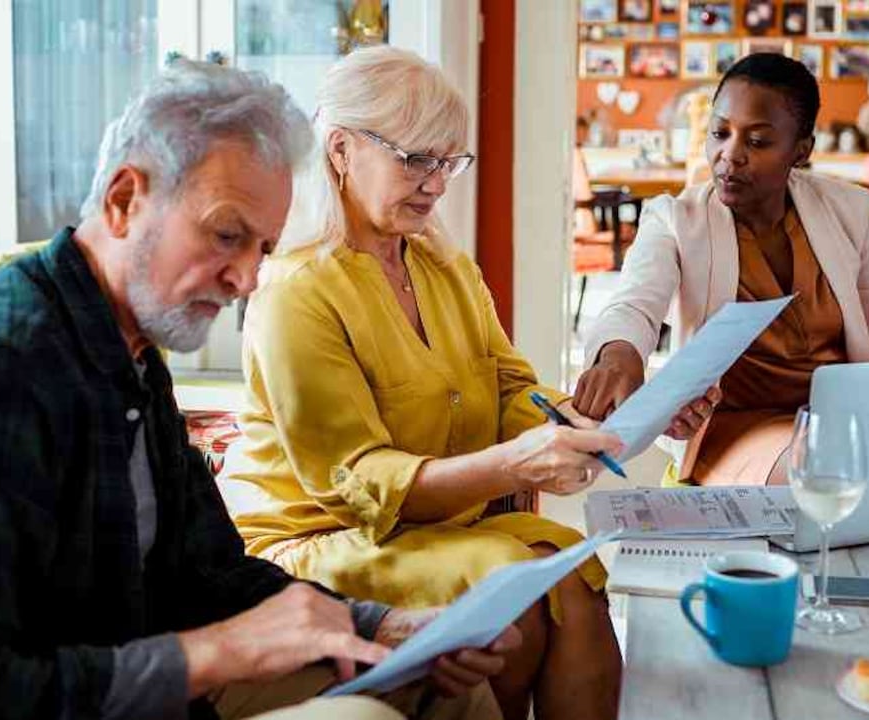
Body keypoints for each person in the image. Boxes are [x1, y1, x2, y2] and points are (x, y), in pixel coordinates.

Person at [0, 60, 518, 720]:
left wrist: (376, 624)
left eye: (262, 248)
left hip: (117, 675)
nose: (247, 280)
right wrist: (214, 655)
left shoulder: (132, 355)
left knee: (443, 682)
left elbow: (209, 575)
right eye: (226, 235)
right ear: (124, 201)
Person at [217, 46, 622, 720]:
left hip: (428, 530)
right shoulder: (297, 291)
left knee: (577, 574)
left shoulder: (442, 265)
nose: (436, 184)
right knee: (511, 586)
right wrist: (513, 464)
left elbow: (511, 383)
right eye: (415, 160)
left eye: (449, 162)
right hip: (321, 538)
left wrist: (568, 423)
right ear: (341, 150)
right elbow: (358, 483)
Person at [574, 54, 869, 486]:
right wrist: (618, 356)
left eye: (757, 142)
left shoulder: (852, 210)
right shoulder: (675, 220)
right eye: (720, 133)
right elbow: (634, 306)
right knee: (824, 473)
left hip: (841, 420)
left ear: (801, 150)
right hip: (735, 427)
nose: (729, 155)